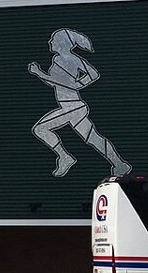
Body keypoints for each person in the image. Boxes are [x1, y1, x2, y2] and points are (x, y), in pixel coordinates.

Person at [28, 29, 130, 178]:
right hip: (72, 107)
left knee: (40, 129)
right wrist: (44, 76)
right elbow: (55, 83)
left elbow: (92, 74)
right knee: (94, 138)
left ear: (62, 44)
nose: (50, 42)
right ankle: (119, 164)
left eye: (54, 40)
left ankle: (65, 157)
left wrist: (40, 73)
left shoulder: (68, 59)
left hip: (71, 107)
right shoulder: (58, 59)